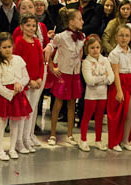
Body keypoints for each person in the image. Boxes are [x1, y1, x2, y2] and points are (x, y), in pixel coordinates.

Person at [47, 7, 84, 146]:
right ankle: (52, 134)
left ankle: (70, 134)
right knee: (58, 103)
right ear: (71, 22)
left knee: (72, 104)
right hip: (63, 74)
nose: (82, 21)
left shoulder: (82, 36)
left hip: (75, 74)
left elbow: (80, 52)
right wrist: (51, 67)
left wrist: (78, 62)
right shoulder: (61, 36)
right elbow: (50, 48)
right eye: (80, 19)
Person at [0, 32, 31, 160]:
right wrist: (9, 94)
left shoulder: (18, 60)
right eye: (4, 47)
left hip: (18, 94)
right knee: (2, 122)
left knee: (16, 123)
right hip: (5, 96)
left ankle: (12, 148)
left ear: (13, 46)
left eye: (9, 46)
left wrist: (20, 84)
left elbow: (26, 77)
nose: (7, 50)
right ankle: (0, 150)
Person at [107, 24, 131, 151]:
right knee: (118, 114)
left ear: (130, 37)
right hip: (120, 83)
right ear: (116, 37)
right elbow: (115, 72)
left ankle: (125, 140)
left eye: (127, 35)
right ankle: (114, 141)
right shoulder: (115, 53)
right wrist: (119, 91)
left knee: (130, 113)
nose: (124, 38)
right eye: (121, 35)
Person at [14, 13, 45, 154]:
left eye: (34, 26)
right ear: (21, 27)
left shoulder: (37, 42)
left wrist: (39, 78)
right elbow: (18, 64)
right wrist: (28, 81)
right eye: (28, 25)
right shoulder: (19, 42)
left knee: (31, 113)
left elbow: (41, 62)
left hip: (36, 83)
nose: (31, 28)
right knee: (23, 114)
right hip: (25, 84)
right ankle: (19, 141)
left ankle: (27, 138)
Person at [79, 34, 112, 151]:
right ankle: (83, 140)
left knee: (99, 118)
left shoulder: (105, 60)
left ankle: (98, 140)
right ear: (87, 49)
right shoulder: (86, 62)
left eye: (97, 47)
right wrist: (103, 78)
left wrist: (100, 80)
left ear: (101, 48)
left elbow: (111, 77)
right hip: (91, 95)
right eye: (92, 48)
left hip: (103, 95)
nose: (95, 50)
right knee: (87, 117)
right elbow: (89, 81)